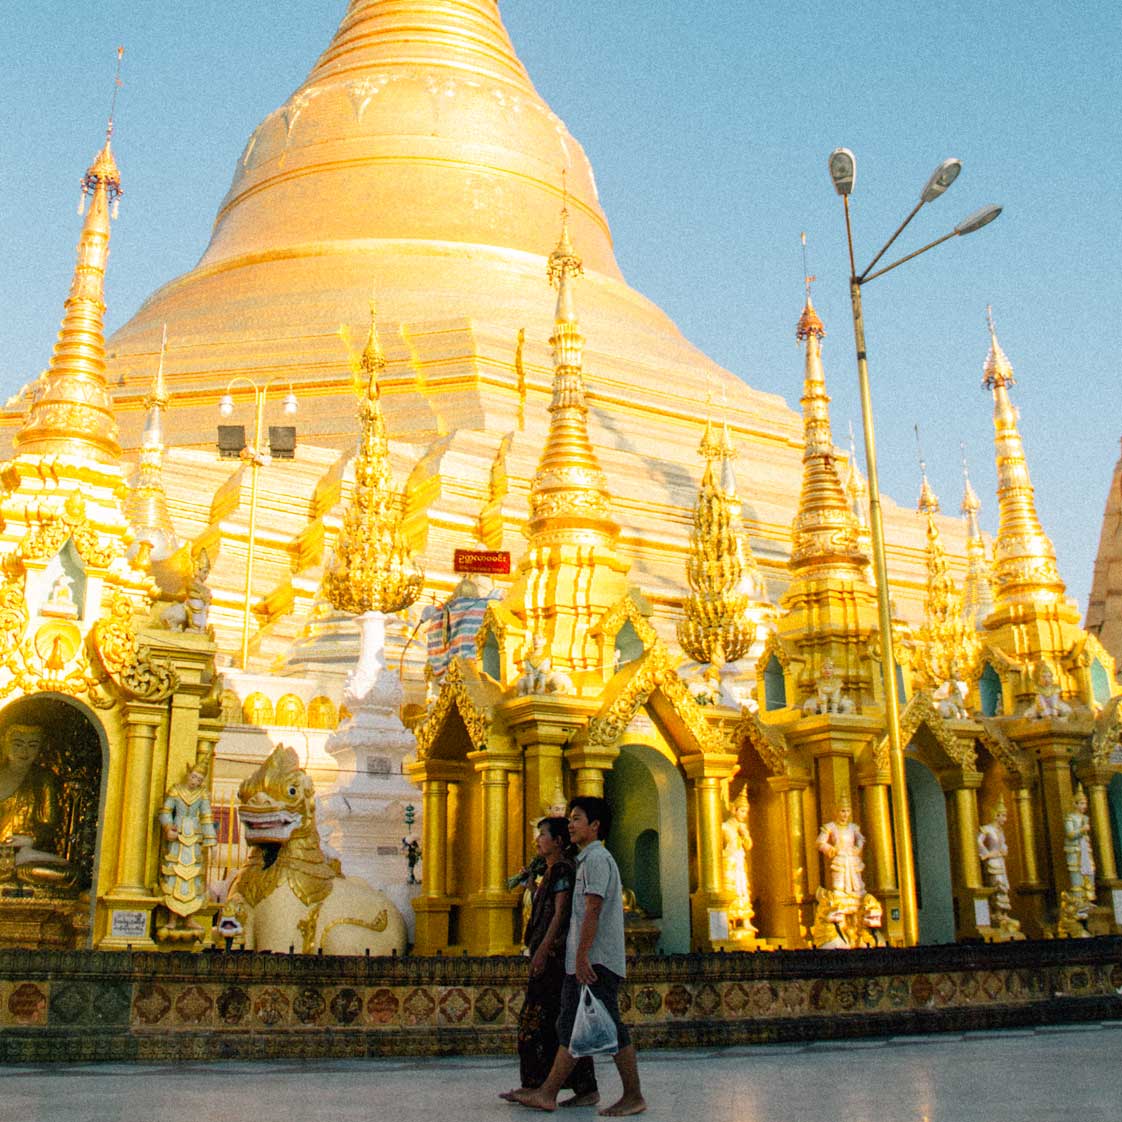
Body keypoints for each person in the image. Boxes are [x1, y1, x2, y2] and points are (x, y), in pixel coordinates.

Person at [514, 796, 646, 1116]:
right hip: (584, 958)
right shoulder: (586, 860)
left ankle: (633, 1095)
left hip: (594, 959)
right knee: (571, 1024)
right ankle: (550, 1092)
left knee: (608, 1026)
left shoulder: (598, 860)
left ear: (595, 826)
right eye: (570, 819)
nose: (570, 824)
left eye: (576, 819)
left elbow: (593, 909)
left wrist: (583, 956)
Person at [500, 818, 597, 1106]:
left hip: (554, 957)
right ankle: (567, 1086)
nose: (537, 839)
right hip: (547, 952)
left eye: (543, 834)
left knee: (539, 1022)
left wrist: (542, 951)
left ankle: (543, 1086)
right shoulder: (552, 871)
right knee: (554, 1023)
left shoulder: (564, 869)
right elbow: (544, 907)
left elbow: (560, 913)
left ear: (558, 841)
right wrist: (531, 883)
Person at [0, 723, 75, 887]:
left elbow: (49, 826)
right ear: (4, 743)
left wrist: (29, 840)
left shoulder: (43, 780)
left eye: (32, 745)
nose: (24, 752)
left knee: (68, 874)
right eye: (18, 744)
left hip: (25, 856)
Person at [158, 763, 217, 930]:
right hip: (178, 838)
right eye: (193, 777)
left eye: (199, 779)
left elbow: (206, 817)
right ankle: (172, 919)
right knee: (174, 876)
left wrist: (211, 841)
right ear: (188, 774)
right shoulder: (176, 790)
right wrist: (168, 827)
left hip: (194, 841)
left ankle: (190, 918)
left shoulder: (202, 795)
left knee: (193, 878)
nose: (195, 781)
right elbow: (165, 811)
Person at [816, 798, 865, 896]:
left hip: (852, 858)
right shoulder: (830, 826)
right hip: (839, 858)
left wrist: (858, 848)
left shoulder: (853, 827)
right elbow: (820, 842)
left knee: (857, 885)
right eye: (843, 811)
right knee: (839, 886)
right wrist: (831, 849)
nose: (845, 814)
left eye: (847, 811)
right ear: (836, 811)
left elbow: (861, 839)